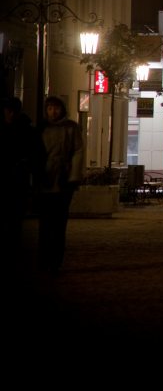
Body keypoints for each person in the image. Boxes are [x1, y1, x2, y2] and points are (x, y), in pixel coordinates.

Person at [36, 96, 85, 272]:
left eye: (56, 108)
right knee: (45, 223)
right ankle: (44, 259)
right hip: (46, 179)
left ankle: (56, 260)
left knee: (59, 222)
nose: (53, 112)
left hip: (64, 180)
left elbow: (78, 151)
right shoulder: (41, 128)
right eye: (49, 108)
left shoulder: (70, 128)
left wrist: (73, 176)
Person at [4, 96, 44, 270]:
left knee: (14, 221)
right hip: (16, 182)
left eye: (12, 111)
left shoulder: (28, 131)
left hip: (18, 182)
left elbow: (38, 157)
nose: (9, 114)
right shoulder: (28, 131)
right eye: (7, 111)